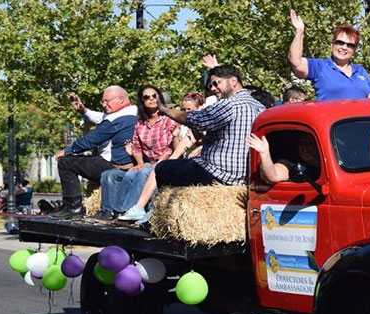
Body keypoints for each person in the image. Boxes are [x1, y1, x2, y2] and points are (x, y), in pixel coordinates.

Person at [118, 65, 264, 224]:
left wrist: (165, 110)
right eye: (211, 85)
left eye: (216, 83)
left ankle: (157, 217)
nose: (213, 88)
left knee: (162, 169)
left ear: (234, 81)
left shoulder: (230, 105)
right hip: (244, 176)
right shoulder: (259, 106)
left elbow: (193, 119)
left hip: (219, 172)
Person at [50, 85, 137, 219]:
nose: (104, 104)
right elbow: (101, 117)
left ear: (121, 99)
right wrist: (83, 110)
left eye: (107, 101)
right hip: (128, 163)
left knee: (66, 163)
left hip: (113, 164)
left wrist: (67, 150)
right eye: (103, 101)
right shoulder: (131, 112)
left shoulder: (116, 120)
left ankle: (73, 208)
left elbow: (91, 140)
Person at [94, 85, 179, 221]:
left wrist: (155, 164)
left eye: (154, 96)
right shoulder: (140, 123)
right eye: (147, 97)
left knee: (142, 174)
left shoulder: (168, 120)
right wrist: (139, 163)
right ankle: (109, 211)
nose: (151, 99)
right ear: (142, 101)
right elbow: (137, 146)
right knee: (113, 174)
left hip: (164, 163)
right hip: (146, 162)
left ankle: (127, 211)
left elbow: (170, 148)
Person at [287, 9, 370, 101]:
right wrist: (299, 31)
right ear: (332, 45)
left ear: (355, 49)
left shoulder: (360, 71)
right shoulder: (319, 67)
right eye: (340, 43)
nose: (344, 47)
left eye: (350, 45)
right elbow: (295, 61)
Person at [246, 133, 320, 183]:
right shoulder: (292, 163)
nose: (304, 148)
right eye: (302, 143)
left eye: (310, 144)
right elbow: (273, 176)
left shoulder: (330, 162)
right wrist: (264, 153)